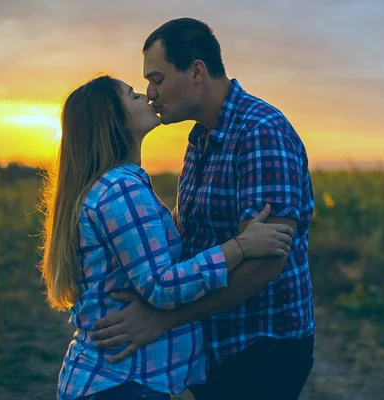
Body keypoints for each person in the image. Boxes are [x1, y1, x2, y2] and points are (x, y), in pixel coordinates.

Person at [90, 18, 316, 400]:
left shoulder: (260, 132)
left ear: (197, 71)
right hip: (217, 343)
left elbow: (265, 262)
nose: (150, 94)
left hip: (260, 347)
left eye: (157, 79)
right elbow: (195, 239)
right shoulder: (200, 139)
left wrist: (165, 319)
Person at [38, 74, 295, 400]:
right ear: (113, 118)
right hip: (122, 384)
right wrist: (241, 247)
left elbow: (146, 253)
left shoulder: (115, 185)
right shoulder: (121, 189)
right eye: (132, 95)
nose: (145, 96)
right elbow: (162, 285)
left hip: (120, 381)